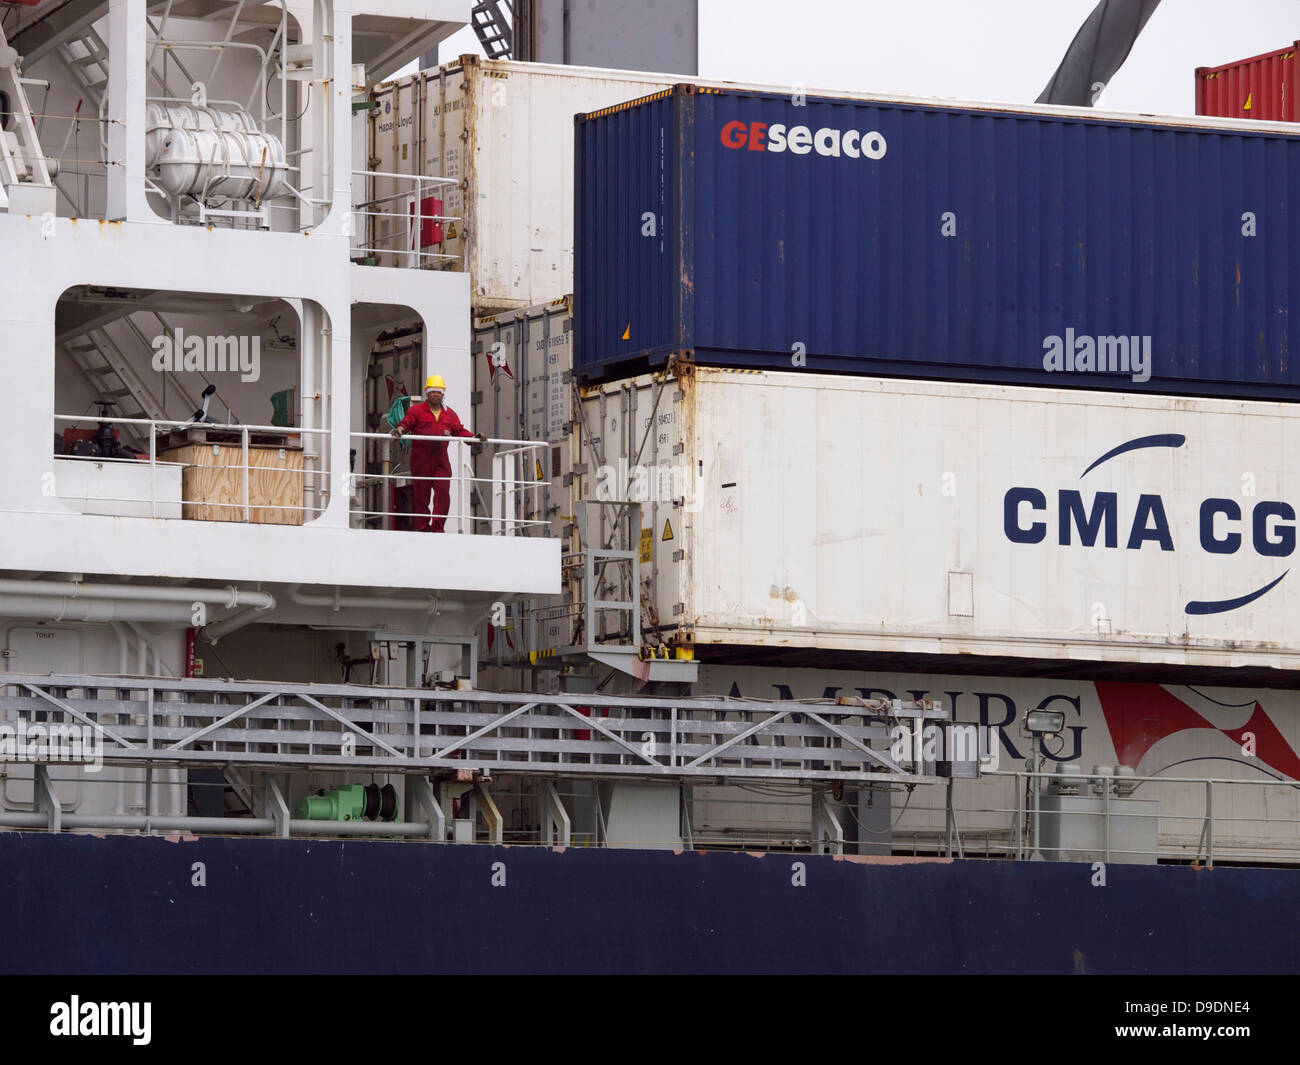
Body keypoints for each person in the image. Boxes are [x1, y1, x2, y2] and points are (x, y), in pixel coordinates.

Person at [391, 374, 485, 532]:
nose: (436, 394)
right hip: (421, 460)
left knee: (442, 495)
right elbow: (406, 423)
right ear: (427, 392)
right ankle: (421, 528)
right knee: (421, 496)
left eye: (439, 391)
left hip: (441, 461)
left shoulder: (449, 414)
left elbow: (459, 431)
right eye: (433, 391)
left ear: (443, 394)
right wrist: (400, 429)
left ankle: (437, 528)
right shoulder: (417, 411)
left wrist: (474, 438)